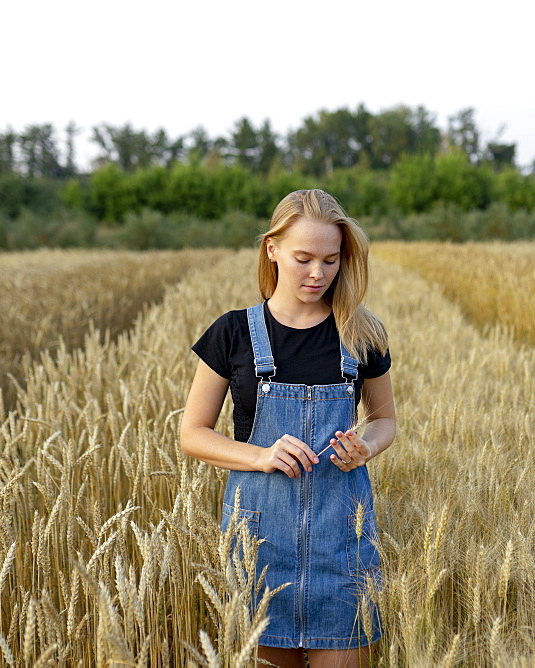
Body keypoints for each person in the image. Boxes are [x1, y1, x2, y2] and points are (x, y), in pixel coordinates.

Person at [181, 189, 396, 667]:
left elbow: (385, 421)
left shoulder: (362, 335)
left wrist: (367, 447)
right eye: (303, 258)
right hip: (260, 547)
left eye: (331, 259)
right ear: (272, 249)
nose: (318, 273)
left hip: (342, 547)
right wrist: (259, 455)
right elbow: (192, 433)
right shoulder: (233, 333)